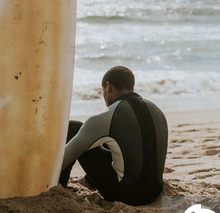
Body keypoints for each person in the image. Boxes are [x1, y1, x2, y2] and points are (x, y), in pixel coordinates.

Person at [59, 66, 168, 205]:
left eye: (102, 91)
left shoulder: (110, 115)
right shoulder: (156, 110)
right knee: (114, 140)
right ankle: (88, 181)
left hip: (127, 196)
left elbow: (64, 159)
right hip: (154, 191)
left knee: (73, 127)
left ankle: (58, 187)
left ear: (108, 86)